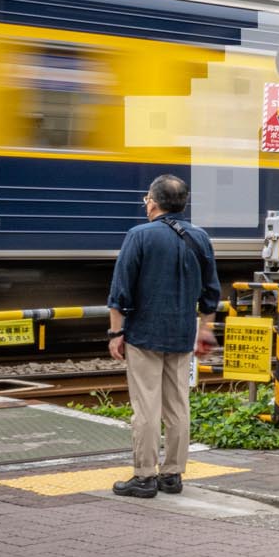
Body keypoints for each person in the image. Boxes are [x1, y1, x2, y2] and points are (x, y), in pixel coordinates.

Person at [105, 175, 220, 499]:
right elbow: (211, 292)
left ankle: (144, 476)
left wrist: (116, 332)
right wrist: (205, 327)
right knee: (178, 406)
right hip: (182, 335)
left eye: (146, 199)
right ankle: (172, 475)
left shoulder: (139, 236)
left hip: (145, 335)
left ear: (153, 202)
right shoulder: (200, 237)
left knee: (146, 408)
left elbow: (120, 290)